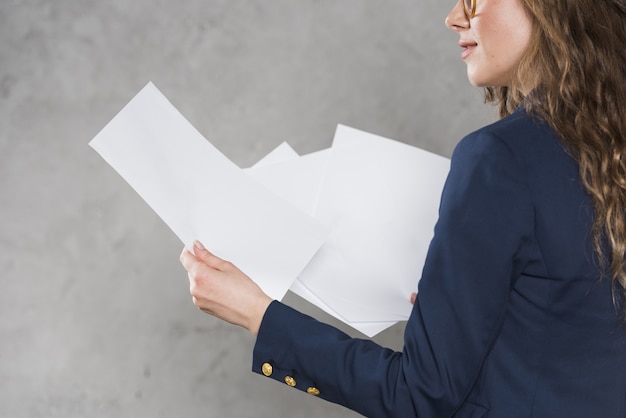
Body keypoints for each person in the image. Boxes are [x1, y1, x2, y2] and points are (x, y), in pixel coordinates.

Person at [180, 0, 626, 416]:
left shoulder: (499, 158)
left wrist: (257, 313)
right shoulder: (609, 151)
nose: (454, 18)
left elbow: (419, 396)